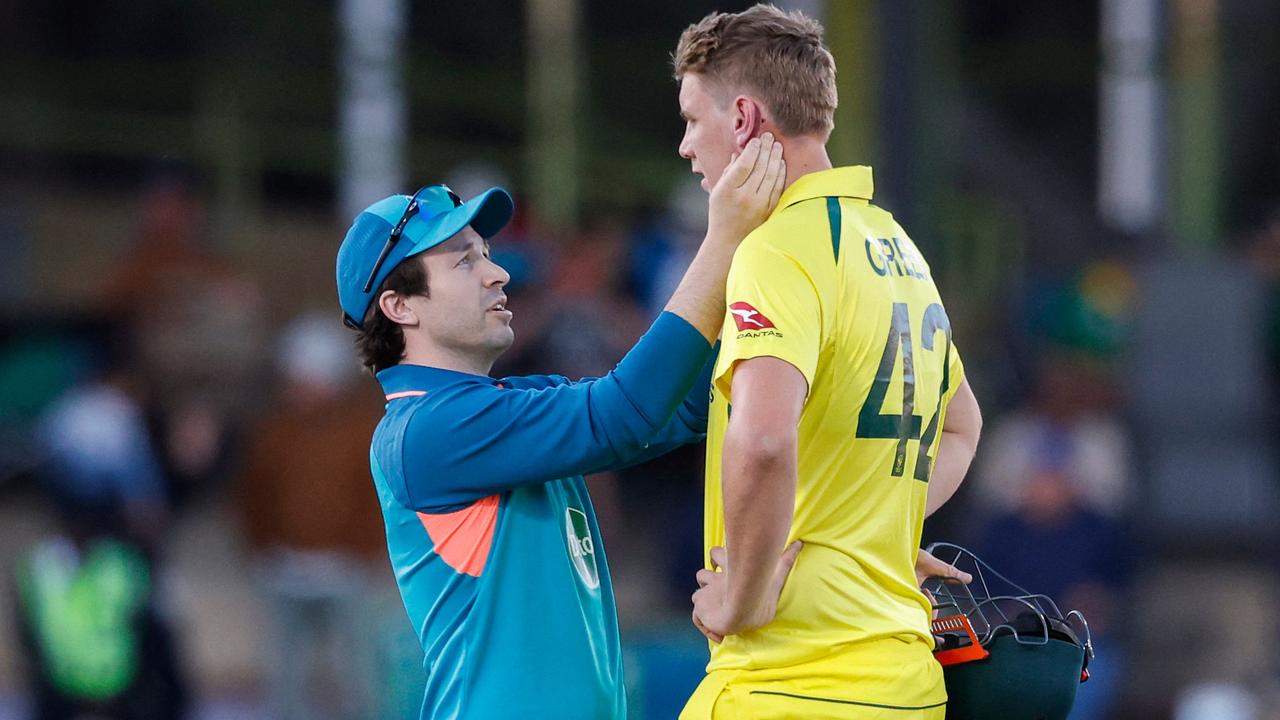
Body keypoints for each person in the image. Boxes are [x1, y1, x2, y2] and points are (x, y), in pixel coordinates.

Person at [333, 137, 785, 719]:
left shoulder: (505, 405)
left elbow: (685, 407)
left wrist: (786, 326)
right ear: (400, 307)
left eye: (487, 252)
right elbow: (625, 415)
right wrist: (723, 240)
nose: (497, 273)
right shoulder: (427, 430)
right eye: (464, 260)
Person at [671, 6, 983, 719]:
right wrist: (873, 528)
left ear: (745, 118)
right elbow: (961, 425)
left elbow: (765, 438)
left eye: (694, 119)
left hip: (789, 683)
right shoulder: (898, 247)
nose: (688, 145)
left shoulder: (777, 249)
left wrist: (742, 598)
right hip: (906, 689)